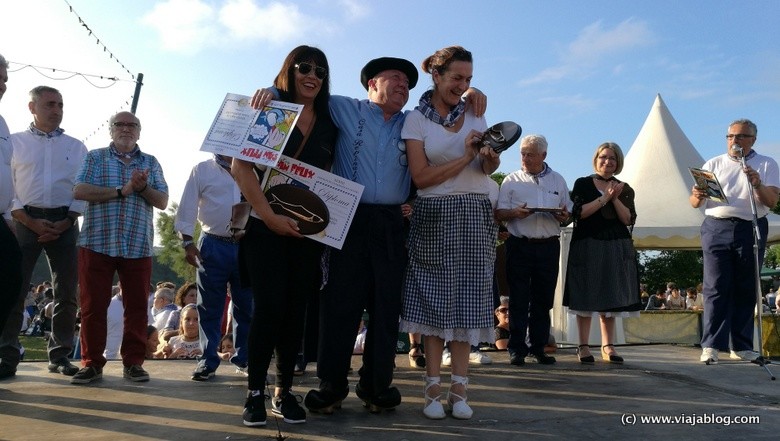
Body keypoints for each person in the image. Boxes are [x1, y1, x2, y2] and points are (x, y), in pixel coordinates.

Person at [251, 53, 486, 416]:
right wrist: (269, 91)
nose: (403, 87)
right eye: (395, 79)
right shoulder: (344, 108)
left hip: (392, 222)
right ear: (372, 83)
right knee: (339, 307)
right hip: (348, 217)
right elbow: (305, 89)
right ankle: (330, 387)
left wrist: (472, 94)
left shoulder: (413, 121)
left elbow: (447, 108)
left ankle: (377, 387)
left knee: (386, 308)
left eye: (408, 84)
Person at [235, 45, 337, 427]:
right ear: (289, 71)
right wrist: (268, 216)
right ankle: (254, 392)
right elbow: (240, 165)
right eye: (304, 67)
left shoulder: (330, 121)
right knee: (269, 309)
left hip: (307, 233)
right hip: (266, 228)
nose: (312, 75)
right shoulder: (273, 112)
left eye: (320, 71)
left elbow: (327, 177)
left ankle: (283, 391)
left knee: (296, 313)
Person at [399, 45, 500, 421]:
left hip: (475, 210)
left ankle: (459, 392)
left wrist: (489, 158)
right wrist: (466, 157)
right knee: (433, 300)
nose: (463, 85)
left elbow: (487, 169)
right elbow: (421, 177)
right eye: (457, 78)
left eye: (469, 79)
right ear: (437, 76)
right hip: (434, 210)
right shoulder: (415, 120)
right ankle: (431, 392)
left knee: (469, 301)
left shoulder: (477, 110)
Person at [71, 111, 169, 384]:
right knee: (93, 306)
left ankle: (134, 363)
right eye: (120, 124)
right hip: (97, 243)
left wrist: (142, 187)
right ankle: (91, 363)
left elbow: (162, 200)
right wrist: (120, 190)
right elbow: (79, 190)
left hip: (137, 245)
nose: (126, 129)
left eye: (132, 125)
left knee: (138, 308)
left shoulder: (151, 162)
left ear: (139, 131)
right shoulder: (95, 157)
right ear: (110, 129)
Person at [1, 85, 87, 380]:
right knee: (15, 288)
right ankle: (7, 355)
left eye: (60, 104)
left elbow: (82, 187)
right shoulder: (14, 142)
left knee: (66, 292)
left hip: (65, 221)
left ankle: (60, 355)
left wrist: (68, 219)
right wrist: (27, 219)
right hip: (24, 221)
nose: (57, 110)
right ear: (32, 107)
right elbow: (6, 184)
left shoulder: (77, 147)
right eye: (50, 104)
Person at [690, 118, 779, 364]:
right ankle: (711, 345)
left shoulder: (767, 164)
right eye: (730, 136)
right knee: (715, 286)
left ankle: (741, 345)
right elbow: (695, 202)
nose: (734, 141)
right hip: (716, 226)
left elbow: (771, 202)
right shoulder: (713, 163)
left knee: (745, 286)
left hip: (749, 226)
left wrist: (758, 183)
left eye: (740, 136)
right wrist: (696, 195)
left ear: (752, 140)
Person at [174, 154, 253, 381]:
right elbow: (187, 206)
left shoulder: (255, 166)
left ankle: (244, 357)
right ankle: (207, 360)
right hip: (212, 244)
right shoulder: (202, 169)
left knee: (246, 305)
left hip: (247, 244)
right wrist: (187, 243)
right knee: (209, 307)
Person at [495, 134, 571, 366]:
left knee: (543, 298)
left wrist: (563, 215)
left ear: (543, 156)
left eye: (530, 154)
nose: (525, 158)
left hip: (548, 244)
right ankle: (516, 349)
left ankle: (538, 348)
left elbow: (567, 213)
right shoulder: (511, 180)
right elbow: (499, 213)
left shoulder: (558, 180)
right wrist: (514, 213)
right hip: (519, 244)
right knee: (518, 298)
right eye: (522, 153)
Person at [563, 142, 642, 364]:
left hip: (616, 244)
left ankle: (608, 346)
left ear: (618, 163)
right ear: (596, 159)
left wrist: (615, 197)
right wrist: (604, 198)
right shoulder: (583, 183)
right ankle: (583, 346)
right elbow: (580, 214)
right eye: (603, 157)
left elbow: (627, 219)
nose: (607, 162)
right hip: (588, 243)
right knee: (585, 294)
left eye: (612, 159)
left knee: (611, 293)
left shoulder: (625, 188)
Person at [0, 54, 23, 372]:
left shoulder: (2, 122)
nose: (3, 85)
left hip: (1, 216)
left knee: (10, 274)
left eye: (5, 79)